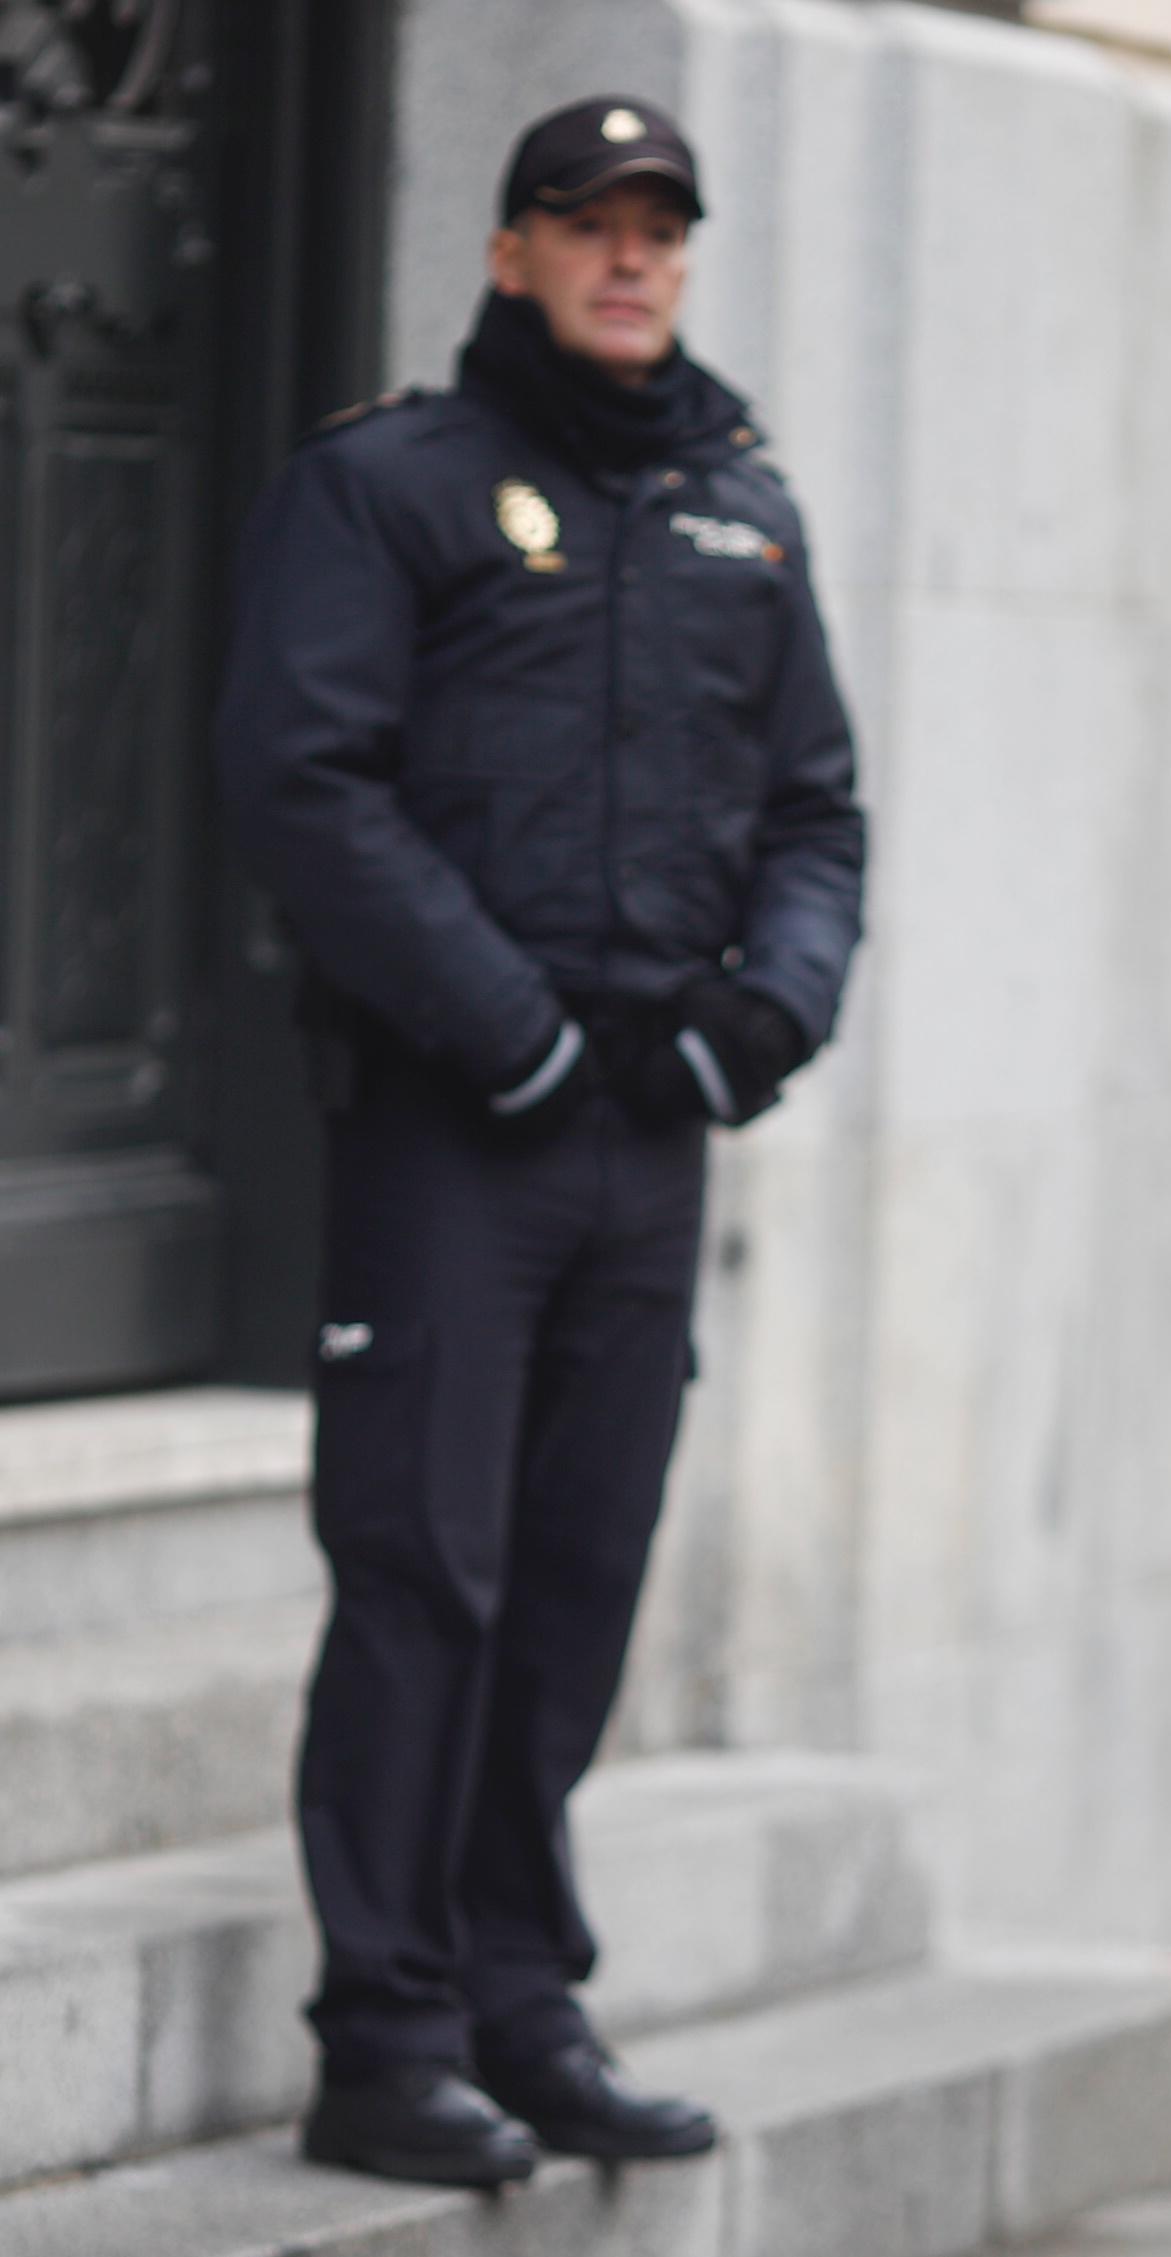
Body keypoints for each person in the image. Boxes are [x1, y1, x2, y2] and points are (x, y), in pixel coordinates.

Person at [213, 96, 865, 2188]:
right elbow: (301, 779)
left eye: (656, 227)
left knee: (578, 1573)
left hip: (647, 1145)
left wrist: (763, 1015)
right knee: (425, 1571)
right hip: (452, 1132)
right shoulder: (383, 484)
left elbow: (816, 818)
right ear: (507, 252)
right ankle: (381, 2037)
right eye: (584, 223)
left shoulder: (739, 514)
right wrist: (504, 1032)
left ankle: (520, 2003)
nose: (624, 256)